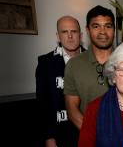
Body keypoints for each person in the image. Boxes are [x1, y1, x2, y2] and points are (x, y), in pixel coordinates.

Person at [35, 15, 85, 147]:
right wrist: (49, 138)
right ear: (58, 36)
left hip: (88, 132)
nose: (69, 36)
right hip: (60, 136)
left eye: (73, 32)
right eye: (64, 32)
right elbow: (43, 104)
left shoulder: (93, 59)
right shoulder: (45, 63)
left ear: (80, 35)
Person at [64, 5, 115, 130]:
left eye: (108, 26)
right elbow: (72, 110)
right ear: (87, 30)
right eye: (96, 26)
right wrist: (95, 137)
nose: (102, 31)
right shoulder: (74, 65)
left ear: (114, 29)